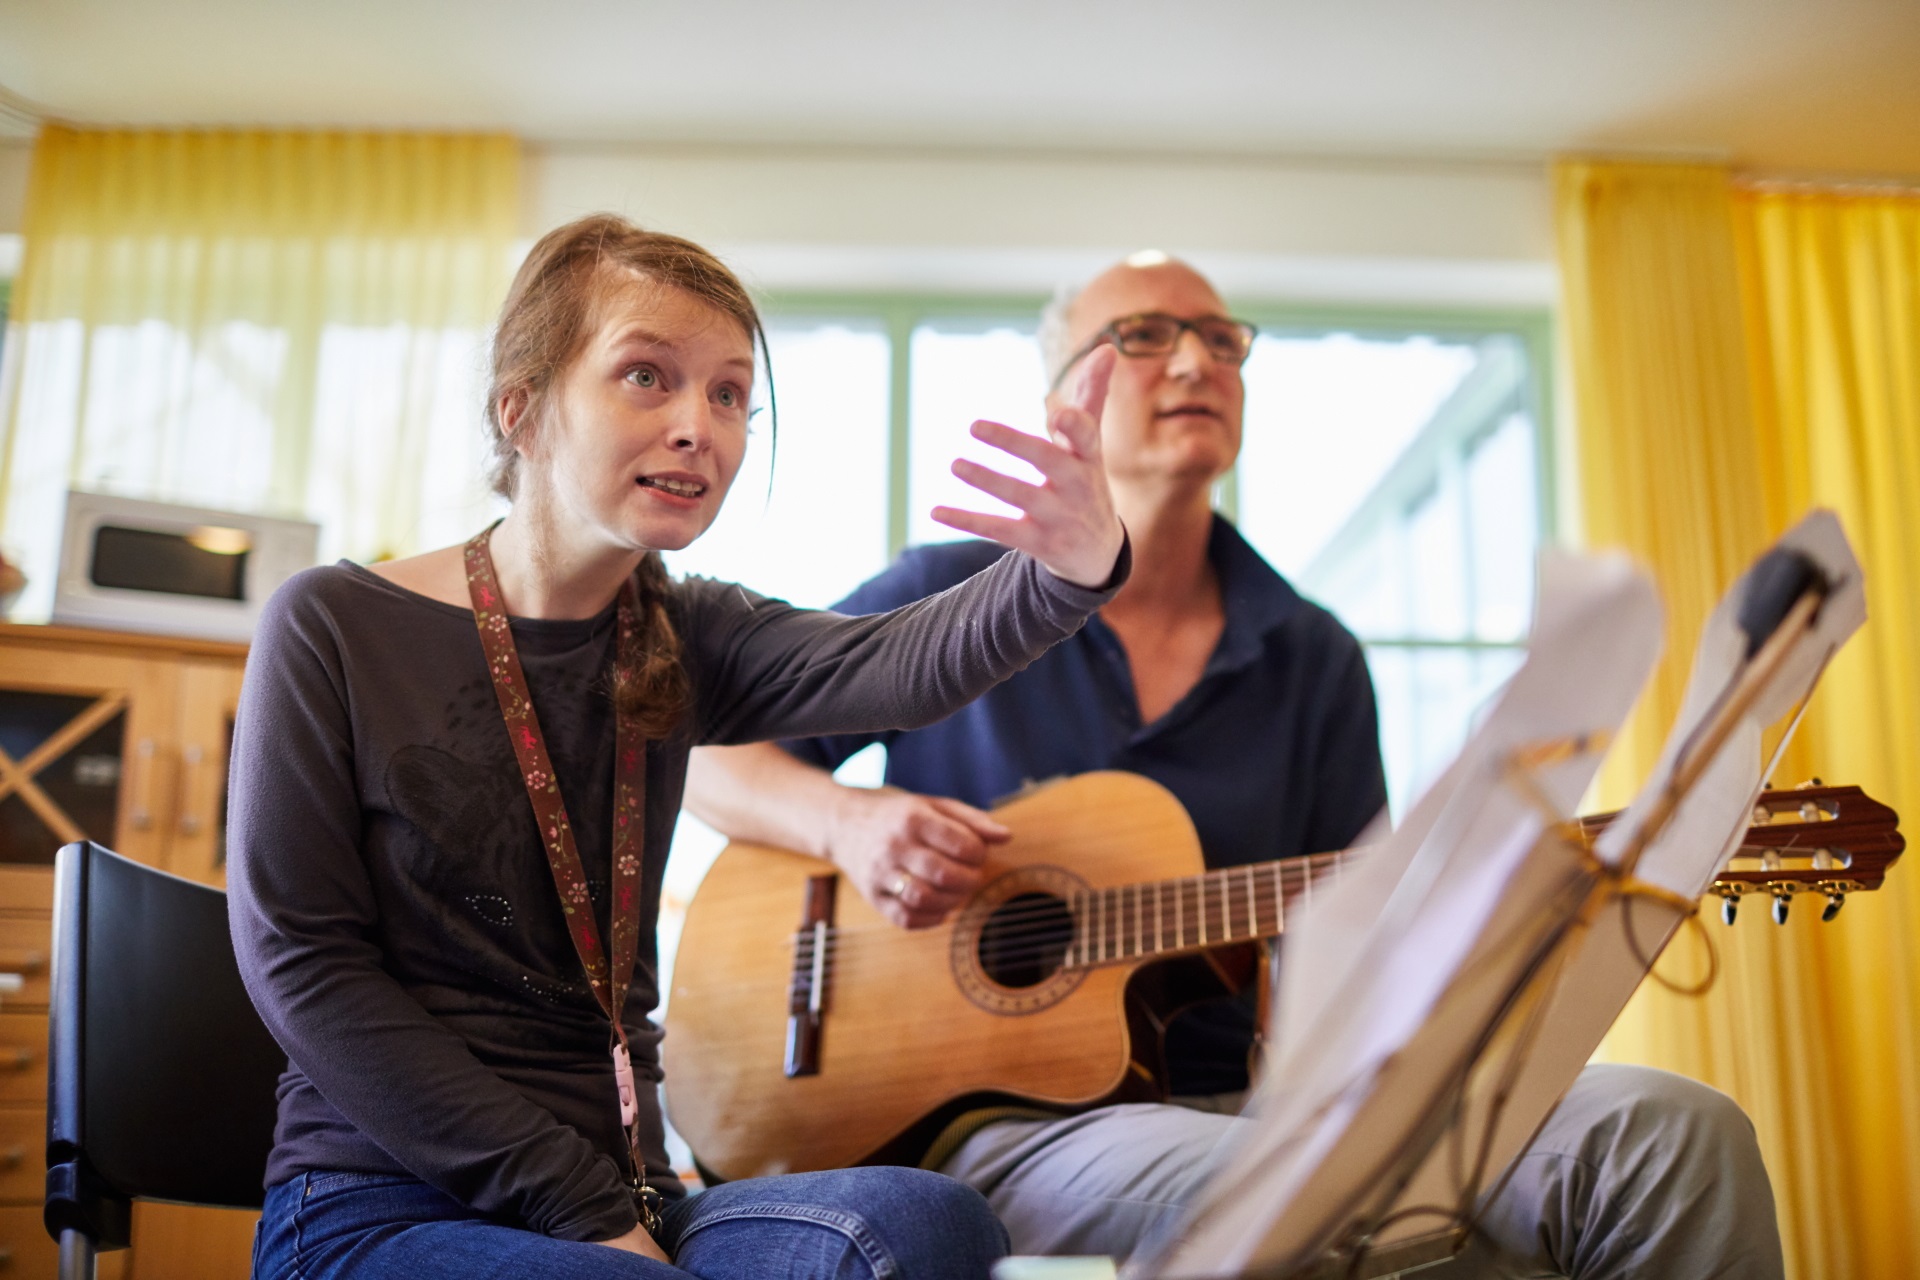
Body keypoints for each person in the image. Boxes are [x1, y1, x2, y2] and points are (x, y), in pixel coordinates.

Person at [684, 253, 1789, 1279]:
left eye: (1222, 338)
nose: (1199, 359)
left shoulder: (1311, 653)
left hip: (1284, 1091)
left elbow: (1373, 948)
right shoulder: (951, 588)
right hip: (1016, 1116)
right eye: (1148, 334)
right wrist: (850, 824)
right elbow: (706, 757)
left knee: (1678, 1132)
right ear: (1065, 392)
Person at [227, 213, 1133, 1280]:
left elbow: (898, 662)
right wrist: (580, 1207)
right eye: (646, 376)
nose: (699, 424)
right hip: (378, 1202)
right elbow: (304, 965)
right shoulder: (333, 622)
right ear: (522, 408)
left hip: (633, 1200)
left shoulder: (688, 630)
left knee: (933, 1223)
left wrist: (1070, 569)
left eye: (729, 392)